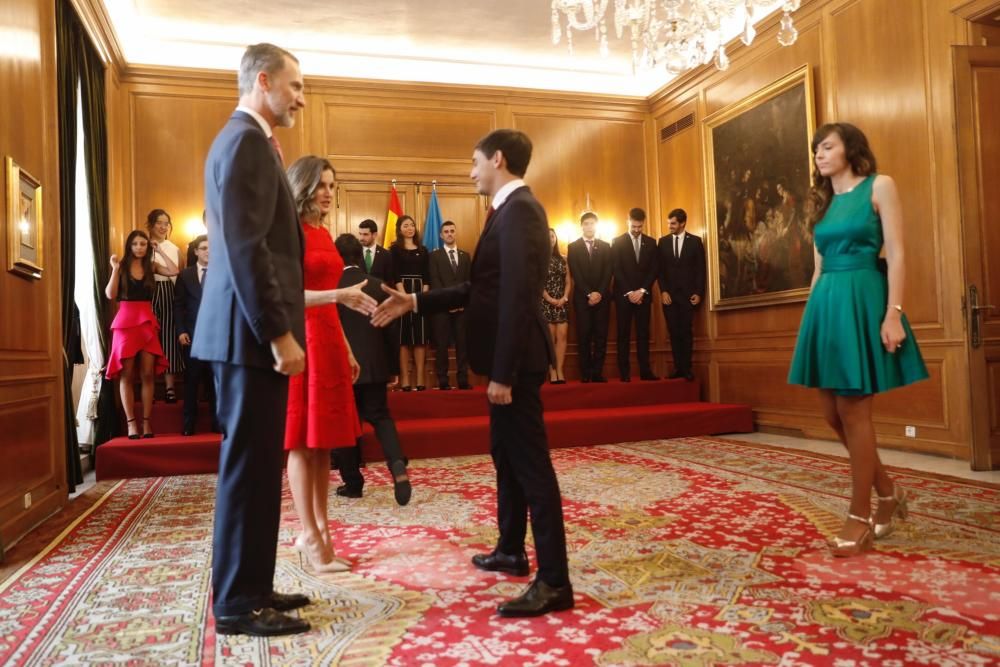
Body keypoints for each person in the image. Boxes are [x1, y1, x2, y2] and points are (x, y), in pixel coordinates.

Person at [193, 43, 367, 638]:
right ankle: (238, 604)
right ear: (262, 81)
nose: (300, 96)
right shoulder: (243, 141)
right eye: (295, 85)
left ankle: (254, 584)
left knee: (262, 466)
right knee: (247, 469)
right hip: (249, 338)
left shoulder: (255, 142)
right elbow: (247, 249)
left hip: (248, 336)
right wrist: (278, 333)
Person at [373, 128, 573, 618]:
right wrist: (415, 301)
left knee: (531, 466)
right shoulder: (506, 212)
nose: (470, 170)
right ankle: (510, 549)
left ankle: (554, 581)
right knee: (505, 455)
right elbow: (481, 288)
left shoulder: (522, 210)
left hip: (516, 364)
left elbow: (520, 299)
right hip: (503, 362)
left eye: (474, 161)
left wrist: (502, 373)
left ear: (498, 159)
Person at [788, 122, 927, 557]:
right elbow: (817, 266)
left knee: (853, 405)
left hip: (864, 297)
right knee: (831, 412)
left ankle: (859, 516)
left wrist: (894, 313)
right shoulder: (821, 202)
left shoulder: (879, 186)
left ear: (850, 148)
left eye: (826, 147)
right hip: (827, 303)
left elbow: (898, 251)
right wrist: (810, 319)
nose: (819, 155)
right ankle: (887, 492)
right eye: (815, 150)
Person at [284, 155, 373, 574]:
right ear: (302, 185)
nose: (327, 192)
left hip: (328, 341)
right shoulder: (290, 232)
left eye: (332, 186)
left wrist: (348, 347)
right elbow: (282, 298)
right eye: (321, 184)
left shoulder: (322, 232)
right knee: (303, 442)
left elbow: (330, 296)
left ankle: (319, 530)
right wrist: (338, 298)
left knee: (323, 444)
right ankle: (311, 535)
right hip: (299, 340)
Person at [331, 233, 412, 506]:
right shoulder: (378, 285)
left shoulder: (331, 288)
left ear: (336, 257)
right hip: (376, 366)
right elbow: (392, 331)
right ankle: (398, 468)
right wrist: (392, 368)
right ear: (359, 255)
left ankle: (353, 483)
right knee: (381, 417)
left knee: (344, 424)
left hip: (342, 366)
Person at [105, 229, 177, 439]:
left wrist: (160, 251)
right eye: (135, 244)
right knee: (127, 375)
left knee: (147, 374)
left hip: (146, 320)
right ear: (129, 245)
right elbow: (110, 294)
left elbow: (174, 271)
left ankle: (147, 423)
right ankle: (131, 424)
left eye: (143, 244)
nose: (139, 247)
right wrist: (115, 269)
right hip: (126, 321)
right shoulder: (121, 266)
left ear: (148, 247)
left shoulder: (151, 265)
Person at [173, 234, 218, 435]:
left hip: (218, 338)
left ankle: (219, 425)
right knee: (191, 382)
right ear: (196, 251)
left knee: (216, 384)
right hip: (192, 336)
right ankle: (188, 426)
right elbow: (178, 306)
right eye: (204, 248)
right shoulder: (186, 275)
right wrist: (181, 330)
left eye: (211, 247)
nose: (208, 251)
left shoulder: (223, 272)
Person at [657, 208, 705, 380]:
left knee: (686, 331)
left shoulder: (695, 242)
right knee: (673, 332)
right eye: (669, 223)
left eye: (673, 223)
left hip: (687, 296)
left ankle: (687, 368)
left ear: (683, 223)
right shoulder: (662, 242)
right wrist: (663, 291)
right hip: (669, 296)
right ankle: (678, 368)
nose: (670, 226)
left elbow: (700, 270)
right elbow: (659, 271)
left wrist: (698, 293)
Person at [611, 208, 659, 382]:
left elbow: (654, 270)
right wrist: (631, 292)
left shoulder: (651, 243)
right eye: (634, 226)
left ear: (643, 223)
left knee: (643, 334)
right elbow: (616, 269)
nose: (637, 230)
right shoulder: (617, 242)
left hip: (643, 296)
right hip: (624, 296)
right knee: (623, 334)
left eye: (640, 226)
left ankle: (645, 370)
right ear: (628, 221)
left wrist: (641, 291)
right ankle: (624, 373)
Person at [566, 212, 612, 382]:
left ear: (596, 226)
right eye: (586, 224)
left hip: (602, 297)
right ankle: (585, 373)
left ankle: (597, 372)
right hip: (582, 298)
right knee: (583, 336)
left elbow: (609, 271)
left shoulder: (606, 246)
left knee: (601, 336)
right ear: (581, 226)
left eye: (592, 223)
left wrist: (599, 292)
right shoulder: (573, 247)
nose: (589, 226)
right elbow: (576, 274)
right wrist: (589, 293)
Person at [428, 220, 472, 390]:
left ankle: (462, 379)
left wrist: (460, 303)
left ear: (455, 232)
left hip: (462, 308)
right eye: (446, 231)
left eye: (452, 231)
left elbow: (469, 281)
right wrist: (448, 303)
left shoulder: (465, 256)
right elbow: (435, 281)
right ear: (441, 235)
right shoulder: (434, 256)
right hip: (441, 308)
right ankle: (443, 380)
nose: (449, 234)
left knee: (463, 344)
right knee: (441, 344)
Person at [146, 209, 183, 402]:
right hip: (148, 292)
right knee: (149, 337)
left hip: (169, 290)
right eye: (159, 223)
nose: (162, 227)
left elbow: (178, 274)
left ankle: (170, 388)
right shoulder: (141, 244)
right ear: (151, 224)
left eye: (166, 223)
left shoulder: (173, 248)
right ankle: (148, 385)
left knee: (169, 336)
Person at [390, 215, 431, 391]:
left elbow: (427, 275)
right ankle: (405, 380)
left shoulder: (423, 250)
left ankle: (420, 380)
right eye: (406, 225)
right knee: (403, 339)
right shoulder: (394, 249)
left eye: (412, 225)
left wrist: (422, 296)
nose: (410, 228)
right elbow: (395, 274)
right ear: (399, 229)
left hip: (420, 294)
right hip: (402, 294)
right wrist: (404, 296)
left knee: (420, 339)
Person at [541, 227, 571, 384]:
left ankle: (560, 369)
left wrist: (564, 298)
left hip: (562, 303)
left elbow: (568, 282)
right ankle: (552, 371)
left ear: (555, 239)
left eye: (552, 236)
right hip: (546, 303)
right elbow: (538, 284)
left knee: (562, 336)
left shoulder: (563, 259)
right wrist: (550, 299)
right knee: (550, 339)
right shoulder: (538, 258)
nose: (550, 239)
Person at [358, 218, 393, 284]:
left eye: (365, 234)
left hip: (379, 293)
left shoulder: (386, 254)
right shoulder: (354, 253)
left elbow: (389, 280)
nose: (361, 238)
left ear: (374, 235)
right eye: (360, 234)